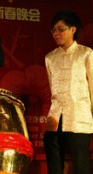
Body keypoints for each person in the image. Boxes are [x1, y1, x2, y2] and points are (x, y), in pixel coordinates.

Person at [44, 10, 93, 174]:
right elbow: (52, 88)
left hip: (79, 117)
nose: (56, 34)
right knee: (54, 164)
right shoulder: (50, 57)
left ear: (73, 30)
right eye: (54, 30)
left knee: (81, 164)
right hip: (55, 117)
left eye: (61, 29)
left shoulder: (86, 53)